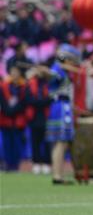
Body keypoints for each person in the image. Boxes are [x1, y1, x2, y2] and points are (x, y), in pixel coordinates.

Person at [30, 45, 83, 184]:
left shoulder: (63, 71)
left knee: (61, 143)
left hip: (61, 106)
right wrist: (43, 71)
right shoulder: (58, 69)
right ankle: (57, 175)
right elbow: (50, 74)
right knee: (60, 142)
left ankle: (58, 174)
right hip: (60, 107)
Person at [1, 65, 31, 172]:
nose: (14, 74)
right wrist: (8, 110)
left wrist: (14, 110)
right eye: (12, 71)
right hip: (5, 119)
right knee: (7, 144)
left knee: (17, 144)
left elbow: (24, 102)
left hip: (19, 120)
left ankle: (15, 165)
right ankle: (8, 164)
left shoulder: (24, 86)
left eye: (16, 72)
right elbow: (3, 102)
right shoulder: (4, 86)